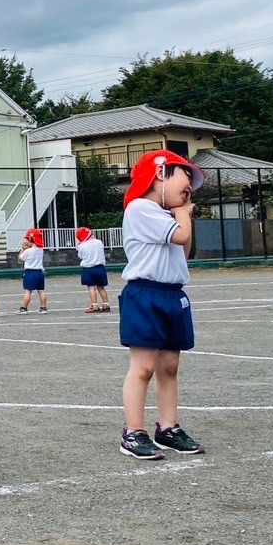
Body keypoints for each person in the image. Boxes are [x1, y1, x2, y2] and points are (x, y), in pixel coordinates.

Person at [117, 150, 206, 460]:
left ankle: (168, 428)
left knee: (169, 366)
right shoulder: (140, 207)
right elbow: (181, 236)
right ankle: (133, 432)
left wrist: (180, 215)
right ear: (160, 174)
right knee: (142, 367)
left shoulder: (165, 215)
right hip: (145, 294)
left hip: (171, 294)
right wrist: (182, 213)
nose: (189, 187)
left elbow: (183, 250)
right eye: (185, 177)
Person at [76, 226, 110, 313]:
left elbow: (81, 256)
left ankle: (94, 305)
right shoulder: (99, 242)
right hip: (100, 267)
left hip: (88, 268)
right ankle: (106, 305)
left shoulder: (82, 246)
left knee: (91, 287)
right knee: (101, 287)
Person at [17, 228, 48, 313]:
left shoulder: (28, 251)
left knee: (28, 291)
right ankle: (43, 307)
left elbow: (20, 258)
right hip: (39, 272)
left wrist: (23, 249)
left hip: (30, 272)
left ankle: (24, 308)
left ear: (31, 239)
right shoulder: (40, 250)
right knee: (41, 290)